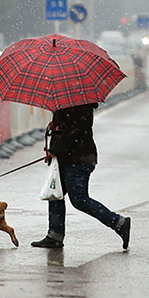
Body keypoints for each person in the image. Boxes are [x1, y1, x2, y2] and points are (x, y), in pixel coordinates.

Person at [31, 103, 131, 250]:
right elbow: (68, 127)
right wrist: (56, 125)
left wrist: (56, 149)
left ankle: (118, 223)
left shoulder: (80, 104)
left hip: (79, 159)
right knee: (55, 195)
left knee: (79, 199)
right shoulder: (70, 100)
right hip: (67, 158)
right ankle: (55, 236)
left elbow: (76, 130)